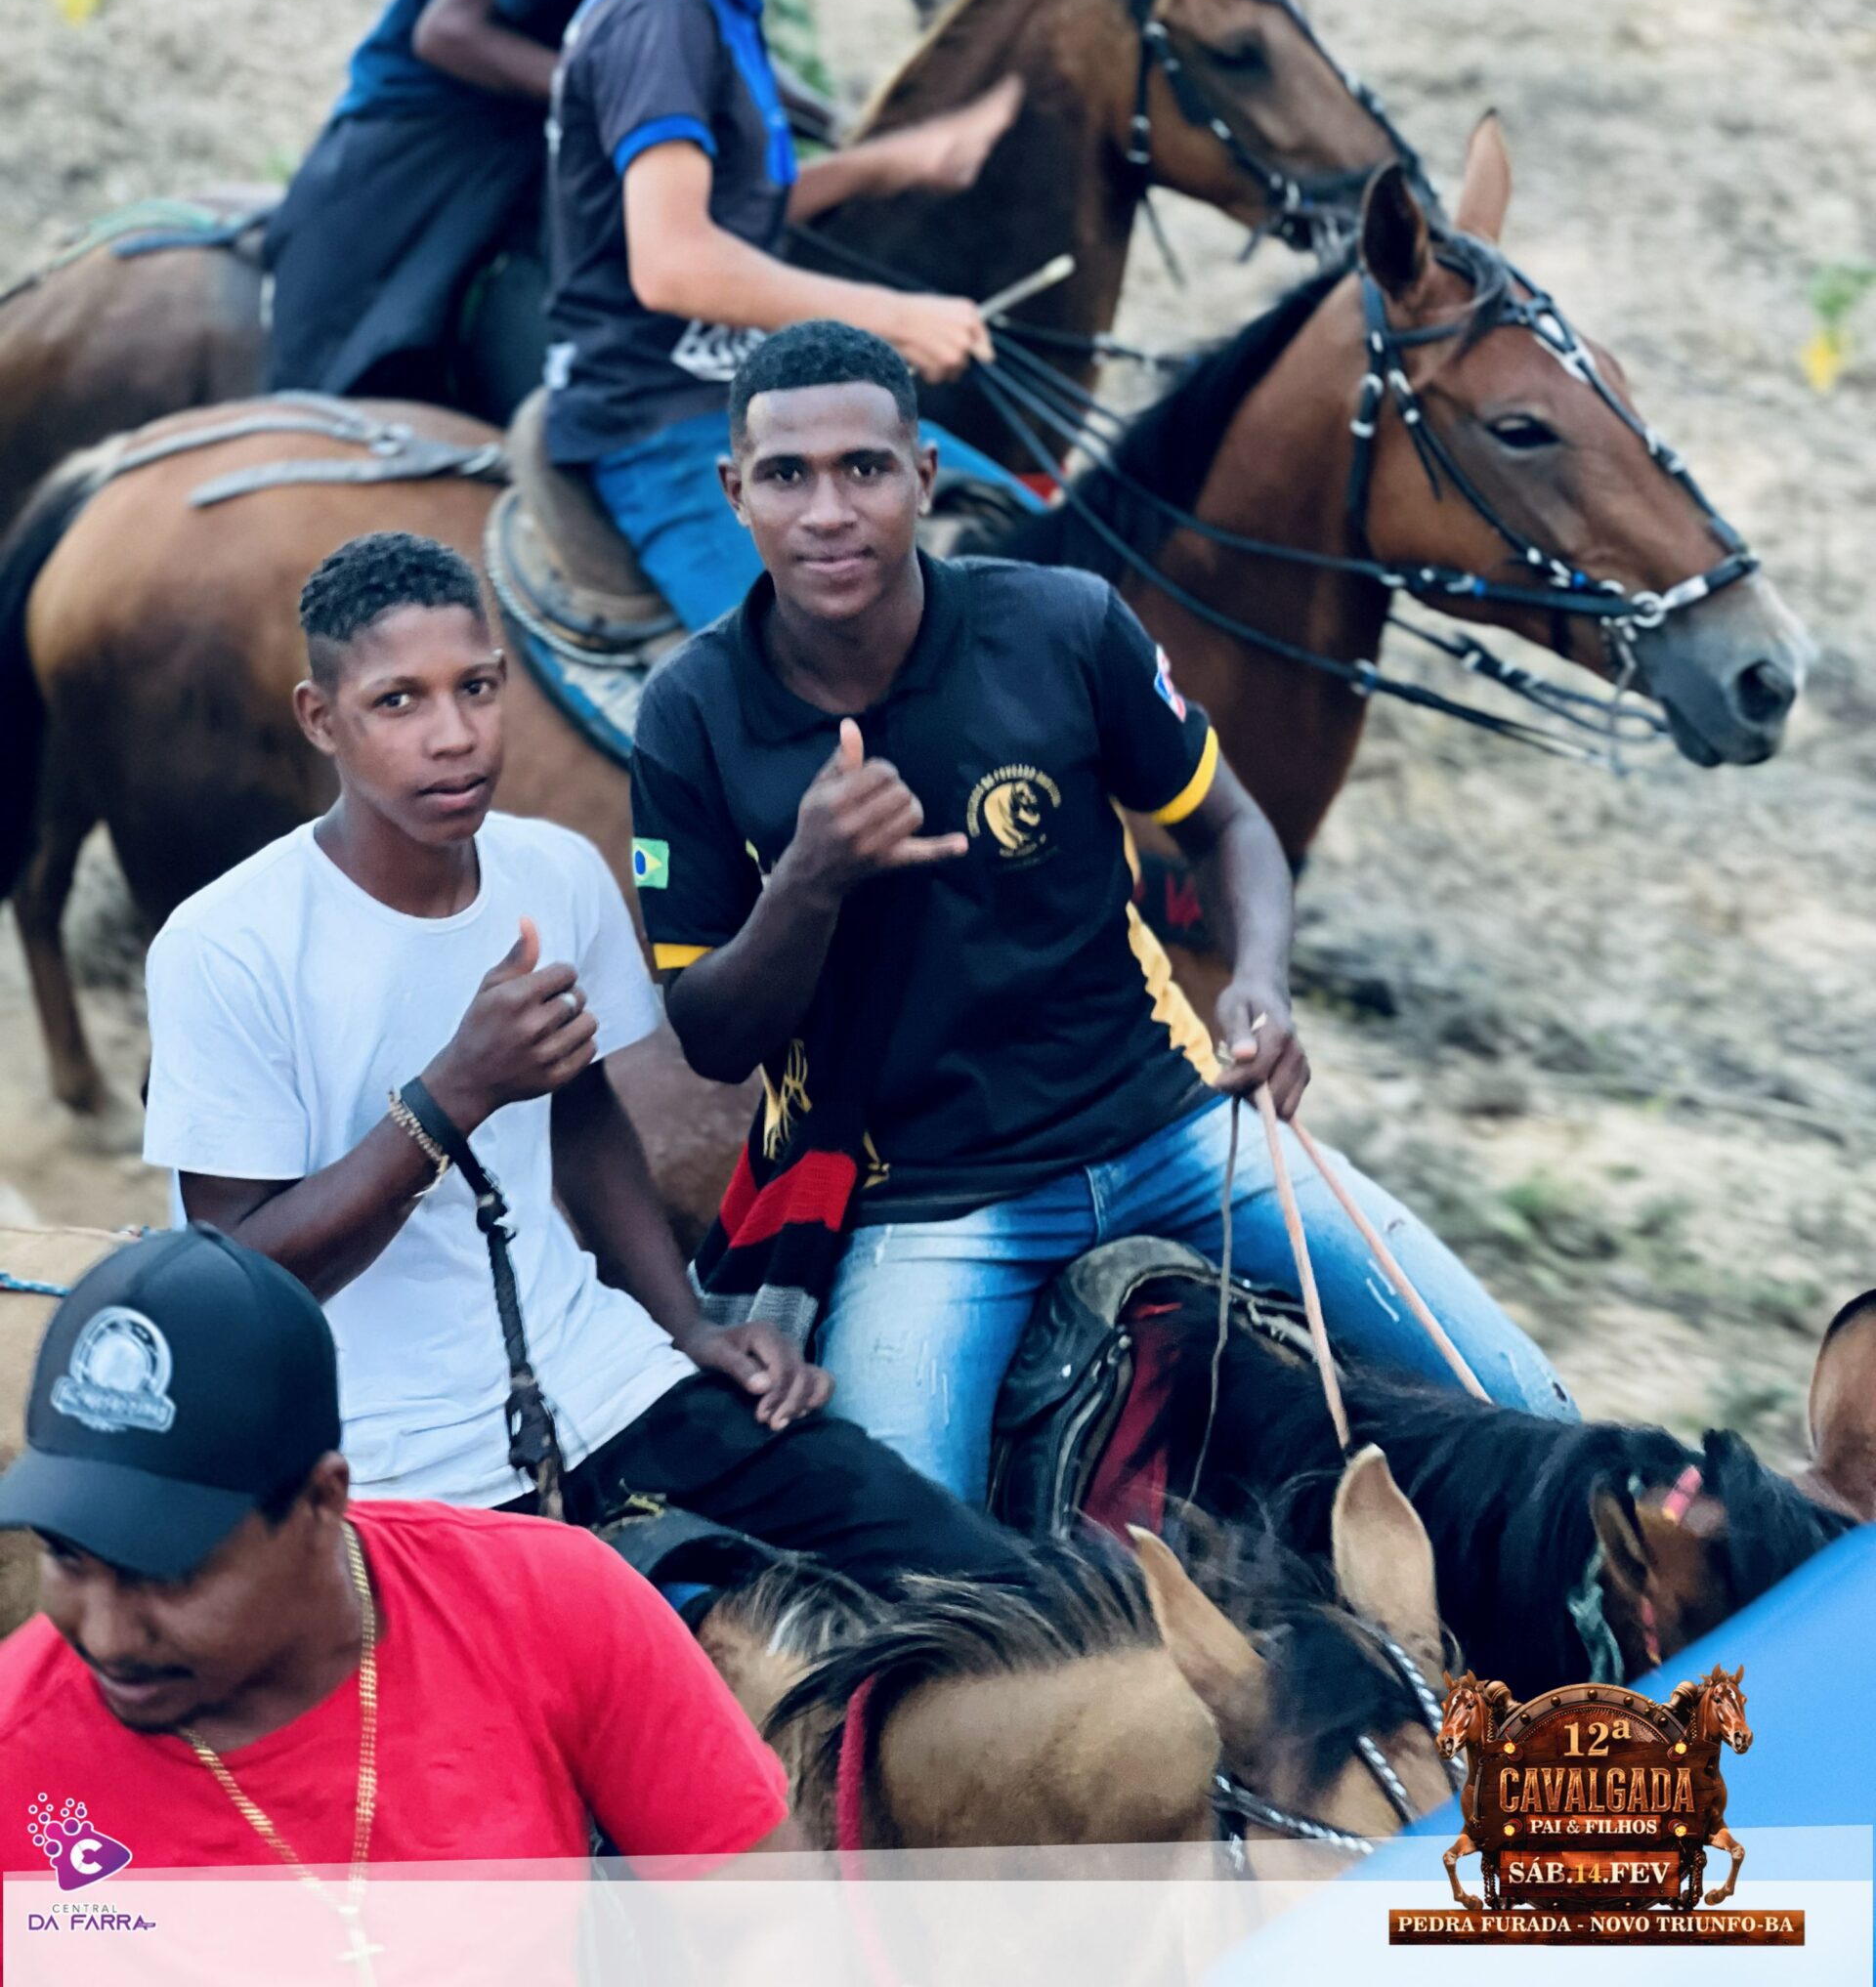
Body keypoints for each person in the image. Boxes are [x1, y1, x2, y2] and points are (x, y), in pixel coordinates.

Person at [629, 322, 1577, 1507]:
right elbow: (713, 1035)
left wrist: (1260, 981)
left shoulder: (1065, 626)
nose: (828, 510)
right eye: (787, 475)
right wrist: (810, 879)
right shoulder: (692, 712)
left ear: (924, 474)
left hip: (1178, 1133)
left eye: (864, 467)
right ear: (735, 493)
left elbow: (1232, 826)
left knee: (1528, 1409)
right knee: (917, 1558)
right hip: (934, 1204)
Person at [137, 530, 1027, 1586]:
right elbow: (243, 1279)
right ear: (321, 718)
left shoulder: (552, 871)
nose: (454, 737)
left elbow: (585, 1115)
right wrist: (450, 1098)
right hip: (399, 1464)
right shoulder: (225, 944)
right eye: (398, 702)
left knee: (970, 1571)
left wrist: (683, 1323)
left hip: (606, 1381)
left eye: (476, 688)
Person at [0, 1226, 793, 1884]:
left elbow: (768, 1928)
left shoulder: (551, 1605)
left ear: (321, 1503)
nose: (105, 1636)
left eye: (168, 1573)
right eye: (68, 1556)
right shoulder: (15, 1747)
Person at [542, 0, 1038, 635]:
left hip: (747, 399)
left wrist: (884, 164)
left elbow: (732, 209)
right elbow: (674, 264)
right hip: (658, 417)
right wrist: (895, 317)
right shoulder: (662, 12)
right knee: (846, 665)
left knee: (1044, 546)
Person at [263, 0, 943, 413]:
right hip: (436, 127)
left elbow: (712, 61)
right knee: (359, 369)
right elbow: (447, 32)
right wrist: (626, 101)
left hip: (568, 124)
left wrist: (831, 123)